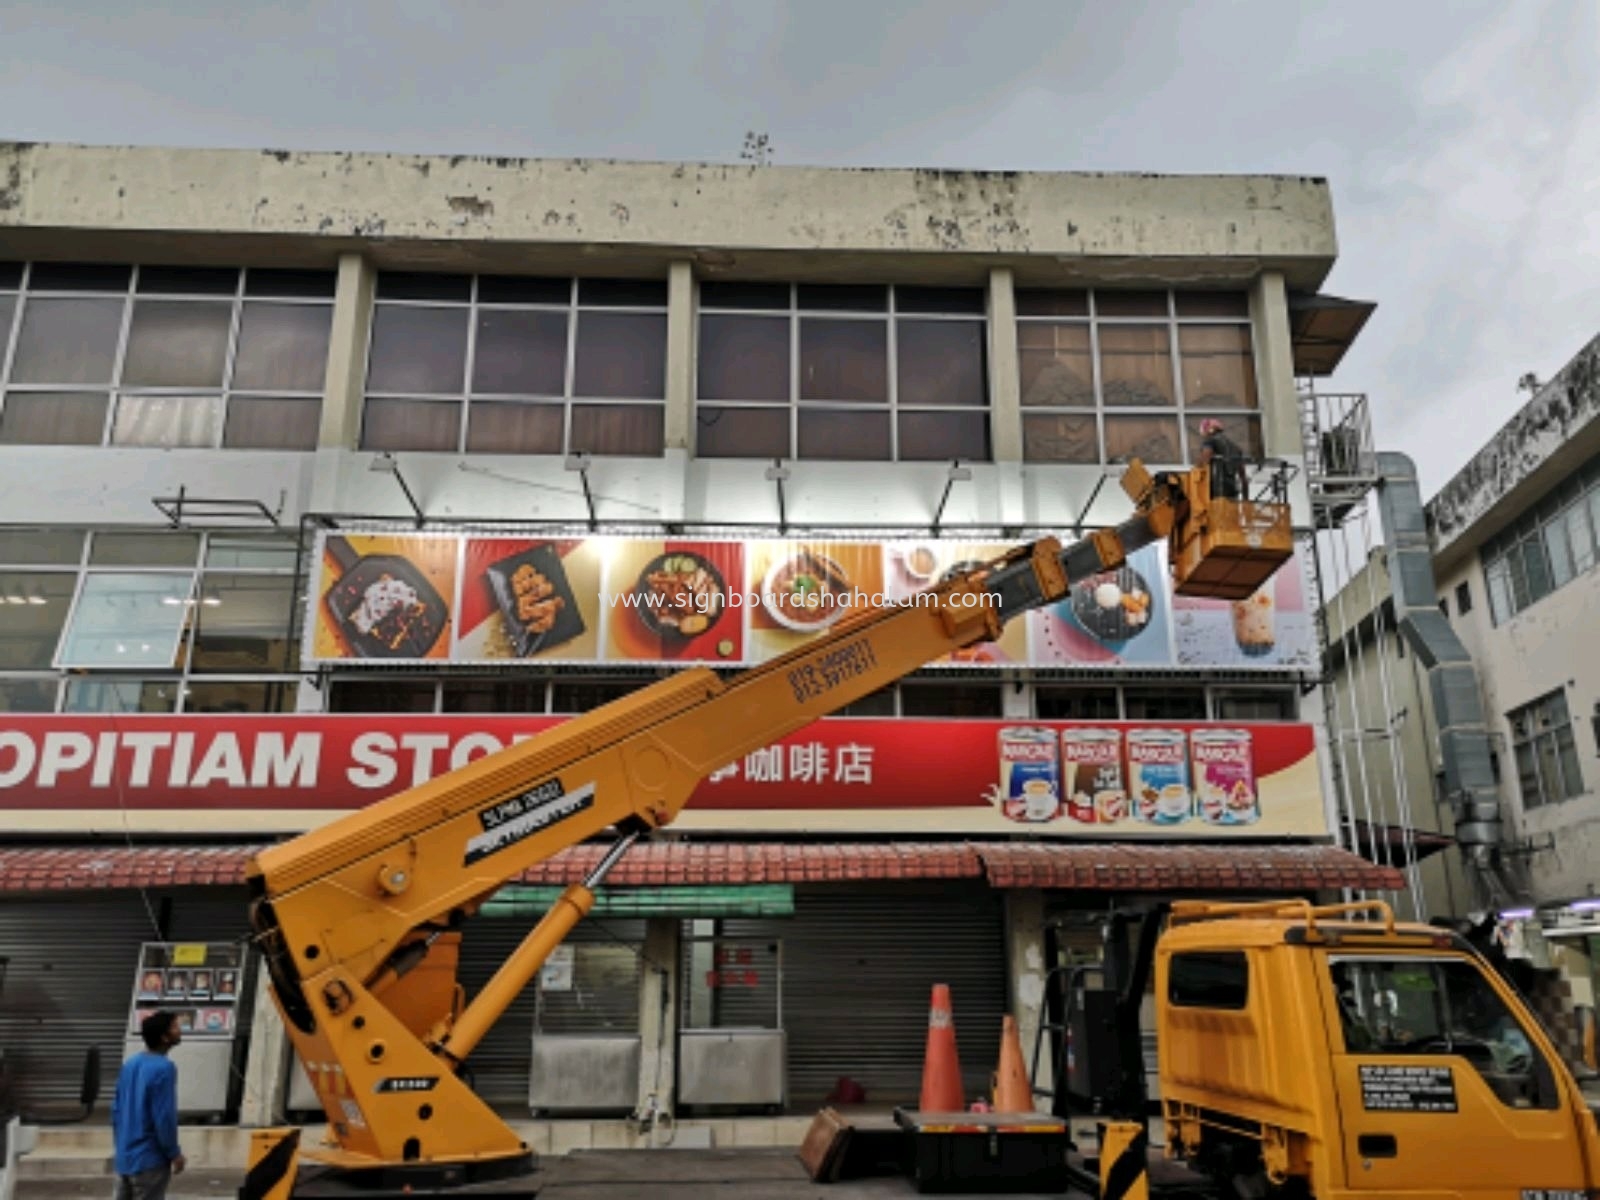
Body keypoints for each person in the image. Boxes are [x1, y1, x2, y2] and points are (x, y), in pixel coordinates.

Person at [111, 1010, 185, 1200]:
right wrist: (174, 1153)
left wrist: (121, 1147)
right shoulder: (164, 1068)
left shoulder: (130, 1064)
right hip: (149, 1159)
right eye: (175, 1027)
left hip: (125, 1158)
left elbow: (116, 1110)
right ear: (164, 1037)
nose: (180, 1030)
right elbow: (163, 1117)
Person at [1196, 417, 1248, 501]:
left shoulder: (1210, 441)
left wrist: (1197, 467)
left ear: (1209, 430)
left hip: (1216, 492)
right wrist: (1246, 500)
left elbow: (1205, 459)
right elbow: (1243, 477)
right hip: (1232, 492)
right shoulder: (1236, 448)